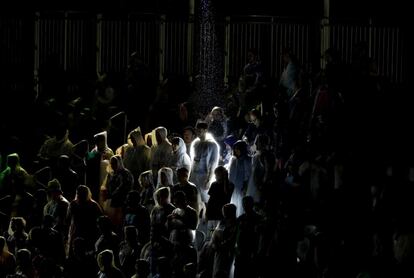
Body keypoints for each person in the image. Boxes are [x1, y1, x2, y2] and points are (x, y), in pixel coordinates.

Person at [189, 121, 219, 204]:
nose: (198, 133)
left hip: (204, 176)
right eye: (197, 131)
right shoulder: (195, 143)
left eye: (200, 131)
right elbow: (192, 161)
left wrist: (209, 179)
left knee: (204, 199)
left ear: (205, 130)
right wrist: (190, 175)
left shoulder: (212, 145)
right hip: (194, 175)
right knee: (193, 198)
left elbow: (213, 163)